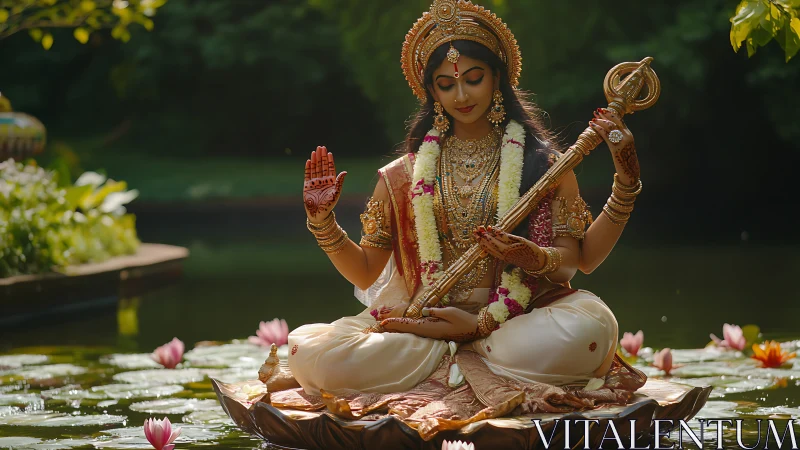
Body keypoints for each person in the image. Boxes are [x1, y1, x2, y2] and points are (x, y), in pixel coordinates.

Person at [266, 0, 647, 436]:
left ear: (497, 77)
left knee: (591, 328)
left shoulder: (544, 166)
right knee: (310, 352)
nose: (462, 96)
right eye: (447, 85)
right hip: (423, 329)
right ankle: (456, 361)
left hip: (516, 326)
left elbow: (579, 261)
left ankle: (466, 354)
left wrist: (623, 186)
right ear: (432, 92)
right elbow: (366, 270)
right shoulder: (402, 176)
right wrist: (322, 223)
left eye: (473, 79)